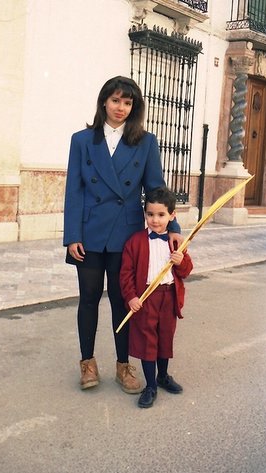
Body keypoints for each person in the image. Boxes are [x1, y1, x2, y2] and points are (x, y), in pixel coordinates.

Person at [63, 76, 182, 393]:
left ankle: (123, 366)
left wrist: (172, 227)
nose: (120, 107)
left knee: (123, 301)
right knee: (88, 299)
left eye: (127, 102)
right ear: (104, 101)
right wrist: (72, 234)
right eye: (115, 100)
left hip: (127, 236)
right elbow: (74, 191)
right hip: (88, 234)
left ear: (134, 107)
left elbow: (156, 188)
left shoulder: (146, 142)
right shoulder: (81, 140)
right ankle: (87, 364)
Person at [119, 187, 193, 408]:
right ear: (145, 214)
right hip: (146, 297)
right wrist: (131, 297)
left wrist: (181, 261)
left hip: (168, 297)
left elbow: (186, 271)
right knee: (147, 341)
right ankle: (150, 385)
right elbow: (126, 274)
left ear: (172, 216)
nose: (155, 220)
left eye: (161, 215)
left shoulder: (177, 242)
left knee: (165, 338)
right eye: (150, 214)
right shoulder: (135, 242)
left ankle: (163, 376)